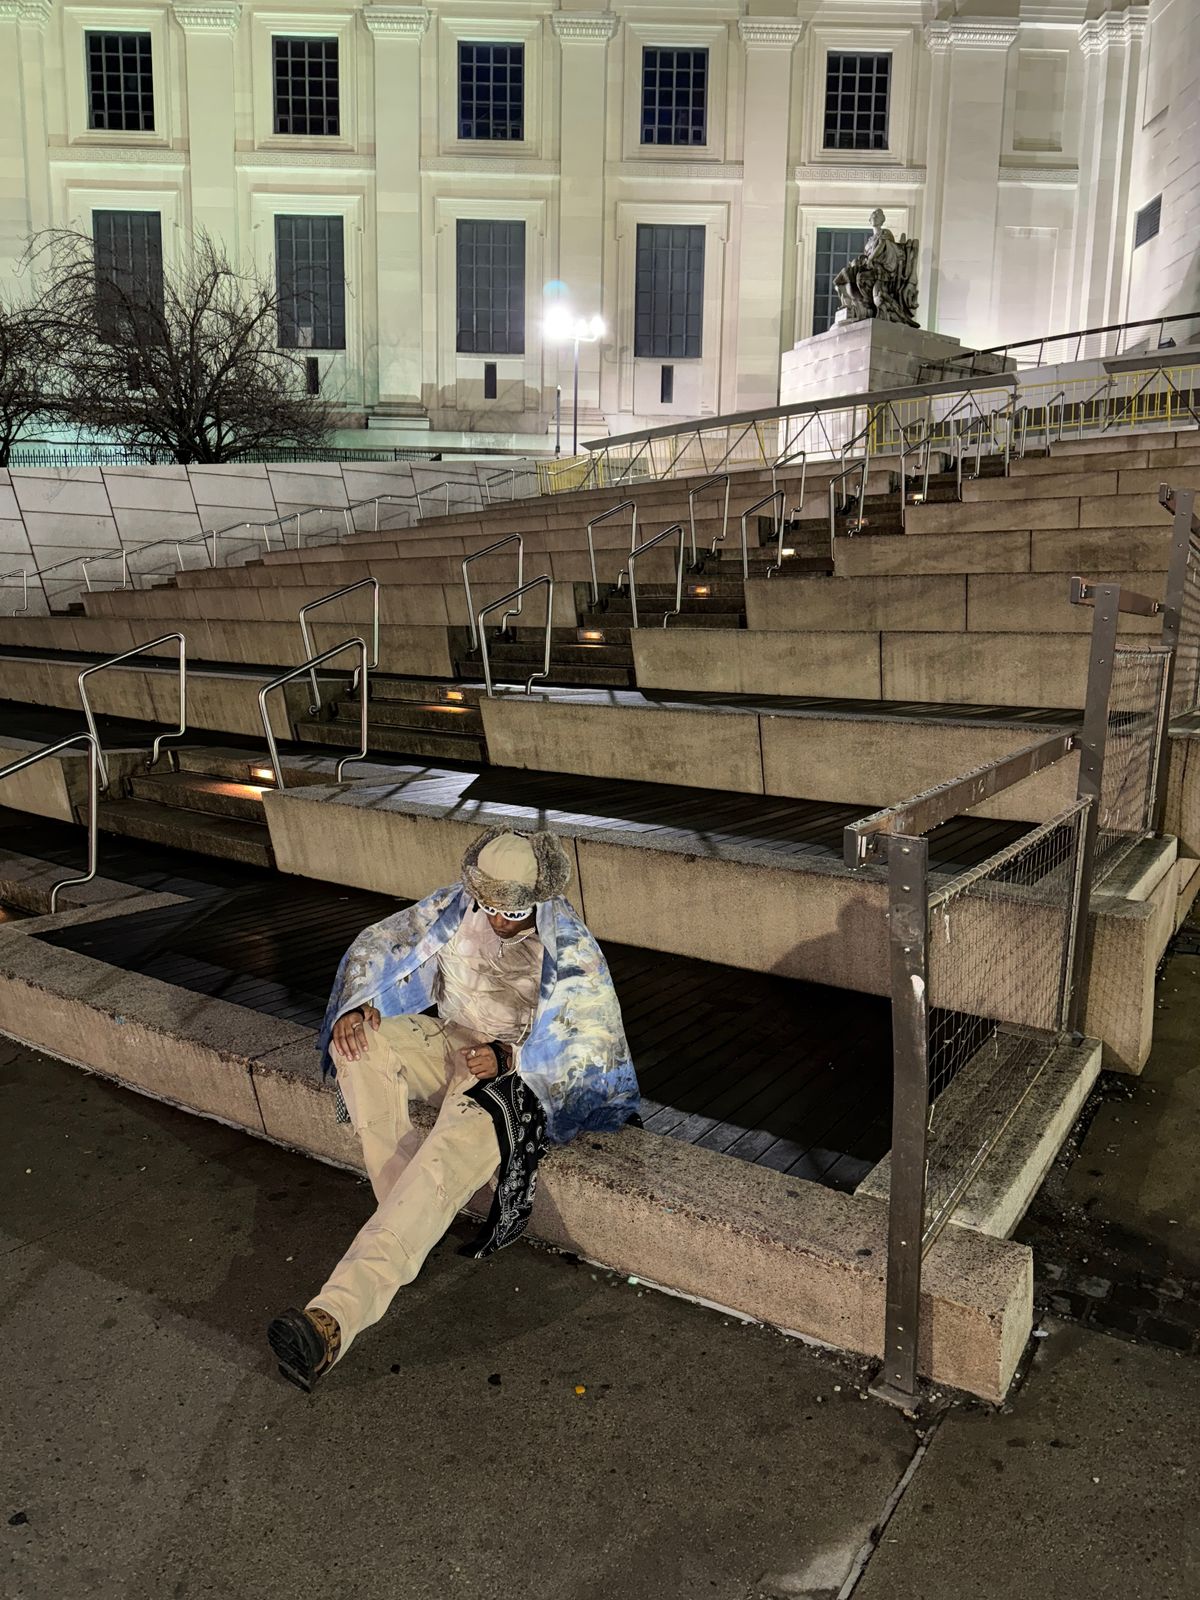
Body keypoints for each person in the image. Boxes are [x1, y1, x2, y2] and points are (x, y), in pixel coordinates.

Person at [267, 826, 640, 1391]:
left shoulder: (570, 949)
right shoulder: (454, 907)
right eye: (488, 906)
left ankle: (331, 1321)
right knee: (359, 1048)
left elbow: (587, 1044)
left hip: (512, 1075)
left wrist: (509, 1055)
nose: (496, 920)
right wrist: (362, 1006)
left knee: (443, 1157)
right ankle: (411, 1221)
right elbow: (383, 947)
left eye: (510, 912)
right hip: (447, 1039)